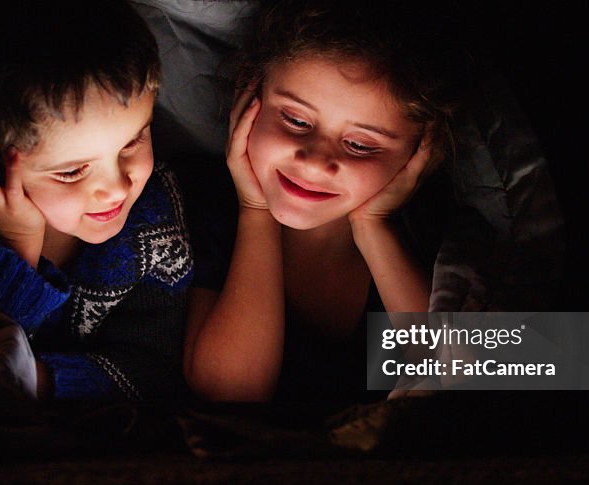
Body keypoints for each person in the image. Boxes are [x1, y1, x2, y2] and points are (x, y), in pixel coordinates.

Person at [0, 0, 192, 404]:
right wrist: (17, 245)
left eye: (134, 140)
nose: (117, 187)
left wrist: (40, 382)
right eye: (71, 171)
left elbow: (152, 367)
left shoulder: (155, 222)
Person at [183, 0, 465, 402]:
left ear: (420, 151)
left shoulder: (433, 230)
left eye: (360, 145)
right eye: (296, 120)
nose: (314, 163)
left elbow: (464, 372)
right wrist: (256, 211)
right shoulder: (198, 207)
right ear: (250, 96)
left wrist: (373, 227)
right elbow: (232, 393)